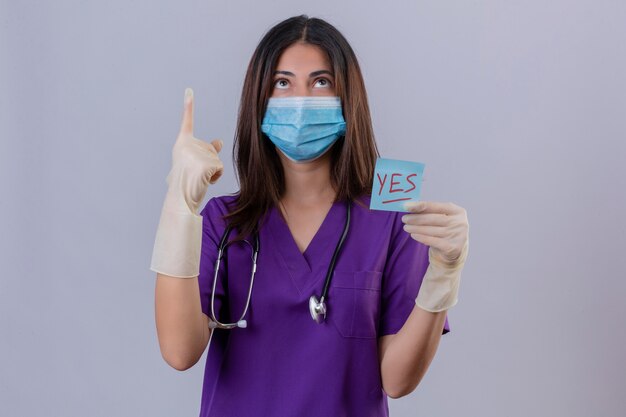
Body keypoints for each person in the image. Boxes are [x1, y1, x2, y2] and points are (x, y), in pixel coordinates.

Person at [150, 15, 469, 417]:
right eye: (282, 83)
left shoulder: (391, 215)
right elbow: (179, 352)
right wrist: (178, 206)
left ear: (347, 96)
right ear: (260, 100)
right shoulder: (223, 220)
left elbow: (398, 380)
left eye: (321, 82)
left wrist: (444, 276)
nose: (301, 100)